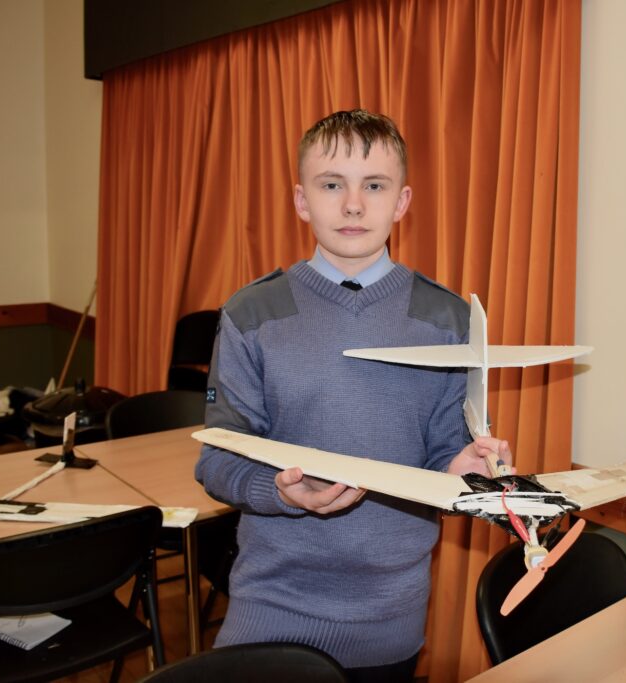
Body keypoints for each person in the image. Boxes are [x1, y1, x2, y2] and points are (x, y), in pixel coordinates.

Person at [195, 109, 512, 682]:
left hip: (387, 613)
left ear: (402, 201)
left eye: (374, 185)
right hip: (269, 603)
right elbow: (218, 460)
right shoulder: (251, 312)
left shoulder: (447, 318)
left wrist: (463, 468)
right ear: (300, 199)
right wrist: (284, 492)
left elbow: (445, 453)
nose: (353, 205)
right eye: (331, 184)